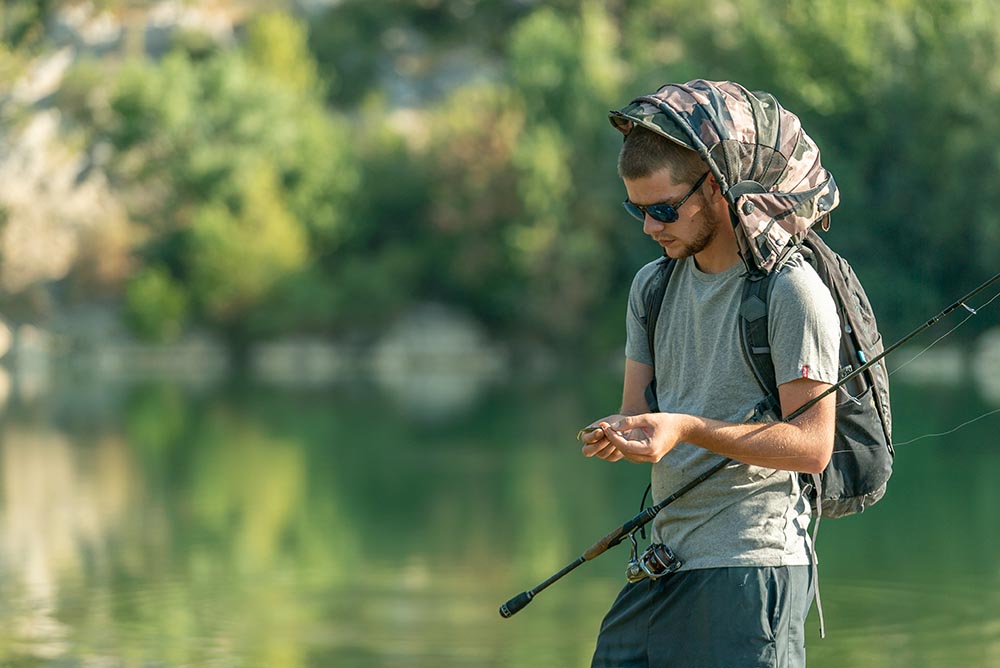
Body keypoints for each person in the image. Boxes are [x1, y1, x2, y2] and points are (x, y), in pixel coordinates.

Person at [580, 80, 842, 667]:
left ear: (718, 190)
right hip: (663, 565)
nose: (650, 227)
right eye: (637, 210)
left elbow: (812, 446)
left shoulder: (793, 293)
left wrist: (687, 429)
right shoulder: (651, 286)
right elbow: (638, 411)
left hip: (753, 569)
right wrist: (622, 433)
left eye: (664, 210)